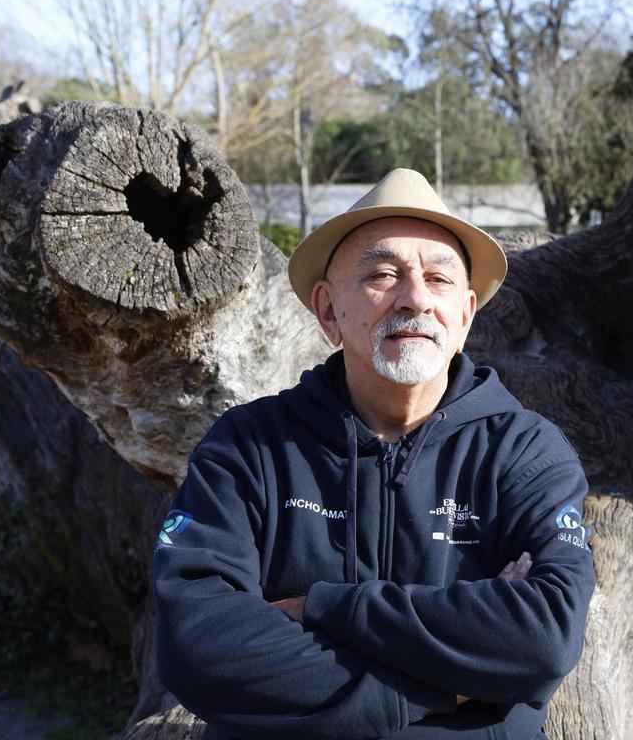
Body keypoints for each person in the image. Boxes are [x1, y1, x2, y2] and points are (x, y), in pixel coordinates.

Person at [153, 169, 595, 739]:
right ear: (329, 311)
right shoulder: (248, 447)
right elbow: (198, 647)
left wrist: (322, 606)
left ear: (464, 316)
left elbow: (544, 637)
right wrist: (444, 685)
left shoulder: (527, 452)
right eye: (383, 274)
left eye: (437, 279)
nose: (414, 298)